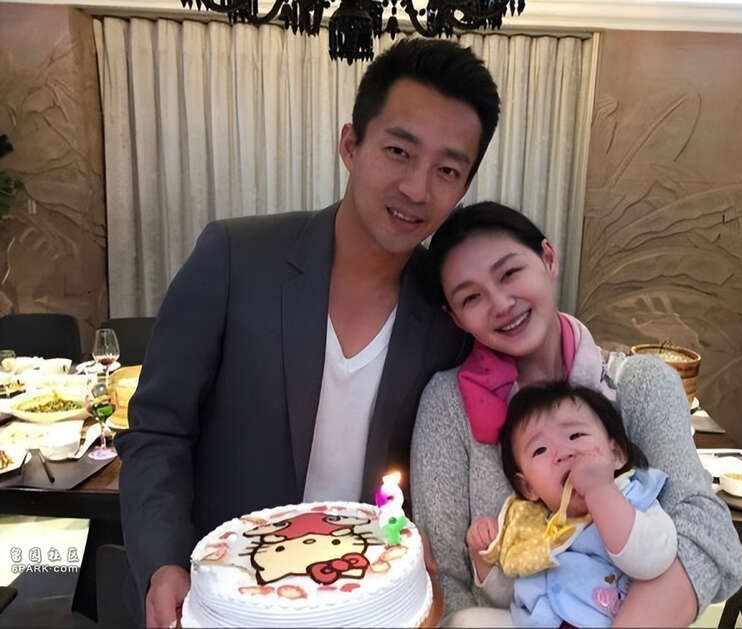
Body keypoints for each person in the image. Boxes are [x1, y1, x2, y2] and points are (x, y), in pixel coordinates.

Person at [115, 39, 500, 628]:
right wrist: (163, 562)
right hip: (228, 602)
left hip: (365, 604)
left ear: (464, 186)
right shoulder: (235, 258)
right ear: (350, 144)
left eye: (447, 170)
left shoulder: (448, 311)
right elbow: (158, 429)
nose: (417, 189)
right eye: (398, 151)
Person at [410, 201, 742, 625]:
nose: (501, 303)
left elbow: (707, 536)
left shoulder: (639, 385)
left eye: (509, 273)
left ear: (548, 258)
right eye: (471, 297)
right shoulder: (448, 405)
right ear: (455, 317)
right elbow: (444, 579)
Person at [461, 382, 678, 627]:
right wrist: (484, 560)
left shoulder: (631, 497)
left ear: (616, 454)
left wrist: (601, 491)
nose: (563, 453)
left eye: (576, 435)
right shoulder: (535, 528)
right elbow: (515, 598)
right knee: (464, 621)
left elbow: (653, 561)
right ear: (528, 487)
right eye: (540, 449)